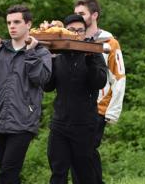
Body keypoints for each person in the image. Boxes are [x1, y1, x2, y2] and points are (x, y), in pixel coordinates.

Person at [0, 5, 52, 183]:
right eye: (9, 22)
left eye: (17, 22)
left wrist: (30, 52)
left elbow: (41, 79)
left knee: (6, 175)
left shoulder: (41, 52)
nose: (12, 26)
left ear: (28, 24)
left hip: (23, 121)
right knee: (8, 173)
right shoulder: (0, 50)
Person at [45, 14, 108, 184]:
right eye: (71, 30)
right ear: (65, 32)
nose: (76, 33)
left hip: (85, 124)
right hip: (59, 124)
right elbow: (47, 87)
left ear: (85, 33)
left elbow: (99, 82)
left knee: (85, 173)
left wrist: (89, 60)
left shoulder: (93, 53)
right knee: (58, 171)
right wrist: (49, 60)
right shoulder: (57, 56)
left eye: (80, 30)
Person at [73, 0, 126, 184]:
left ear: (94, 15)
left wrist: (112, 111)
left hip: (98, 108)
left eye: (81, 14)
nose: (77, 17)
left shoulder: (109, 43)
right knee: (77, 153)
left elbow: (119, 78)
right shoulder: (72, 41)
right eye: (76, 13)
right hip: (75, 107)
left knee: (86, 151)